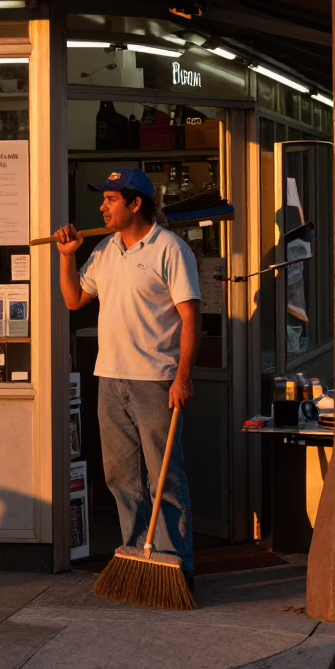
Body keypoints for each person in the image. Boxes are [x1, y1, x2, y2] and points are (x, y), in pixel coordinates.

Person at [53, 168, 201, 590]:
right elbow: (73, 299)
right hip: (110, 377)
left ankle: (176, 564)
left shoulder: (170, 250)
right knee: (121, 476)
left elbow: (190, 318)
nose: (102, 206)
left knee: (164, 475)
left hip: (155, 378)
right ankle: (139, 555)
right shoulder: (103, 249)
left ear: (135, 203)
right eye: (103, 199)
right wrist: (66, 256)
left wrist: (182, 377)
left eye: (111, 199)